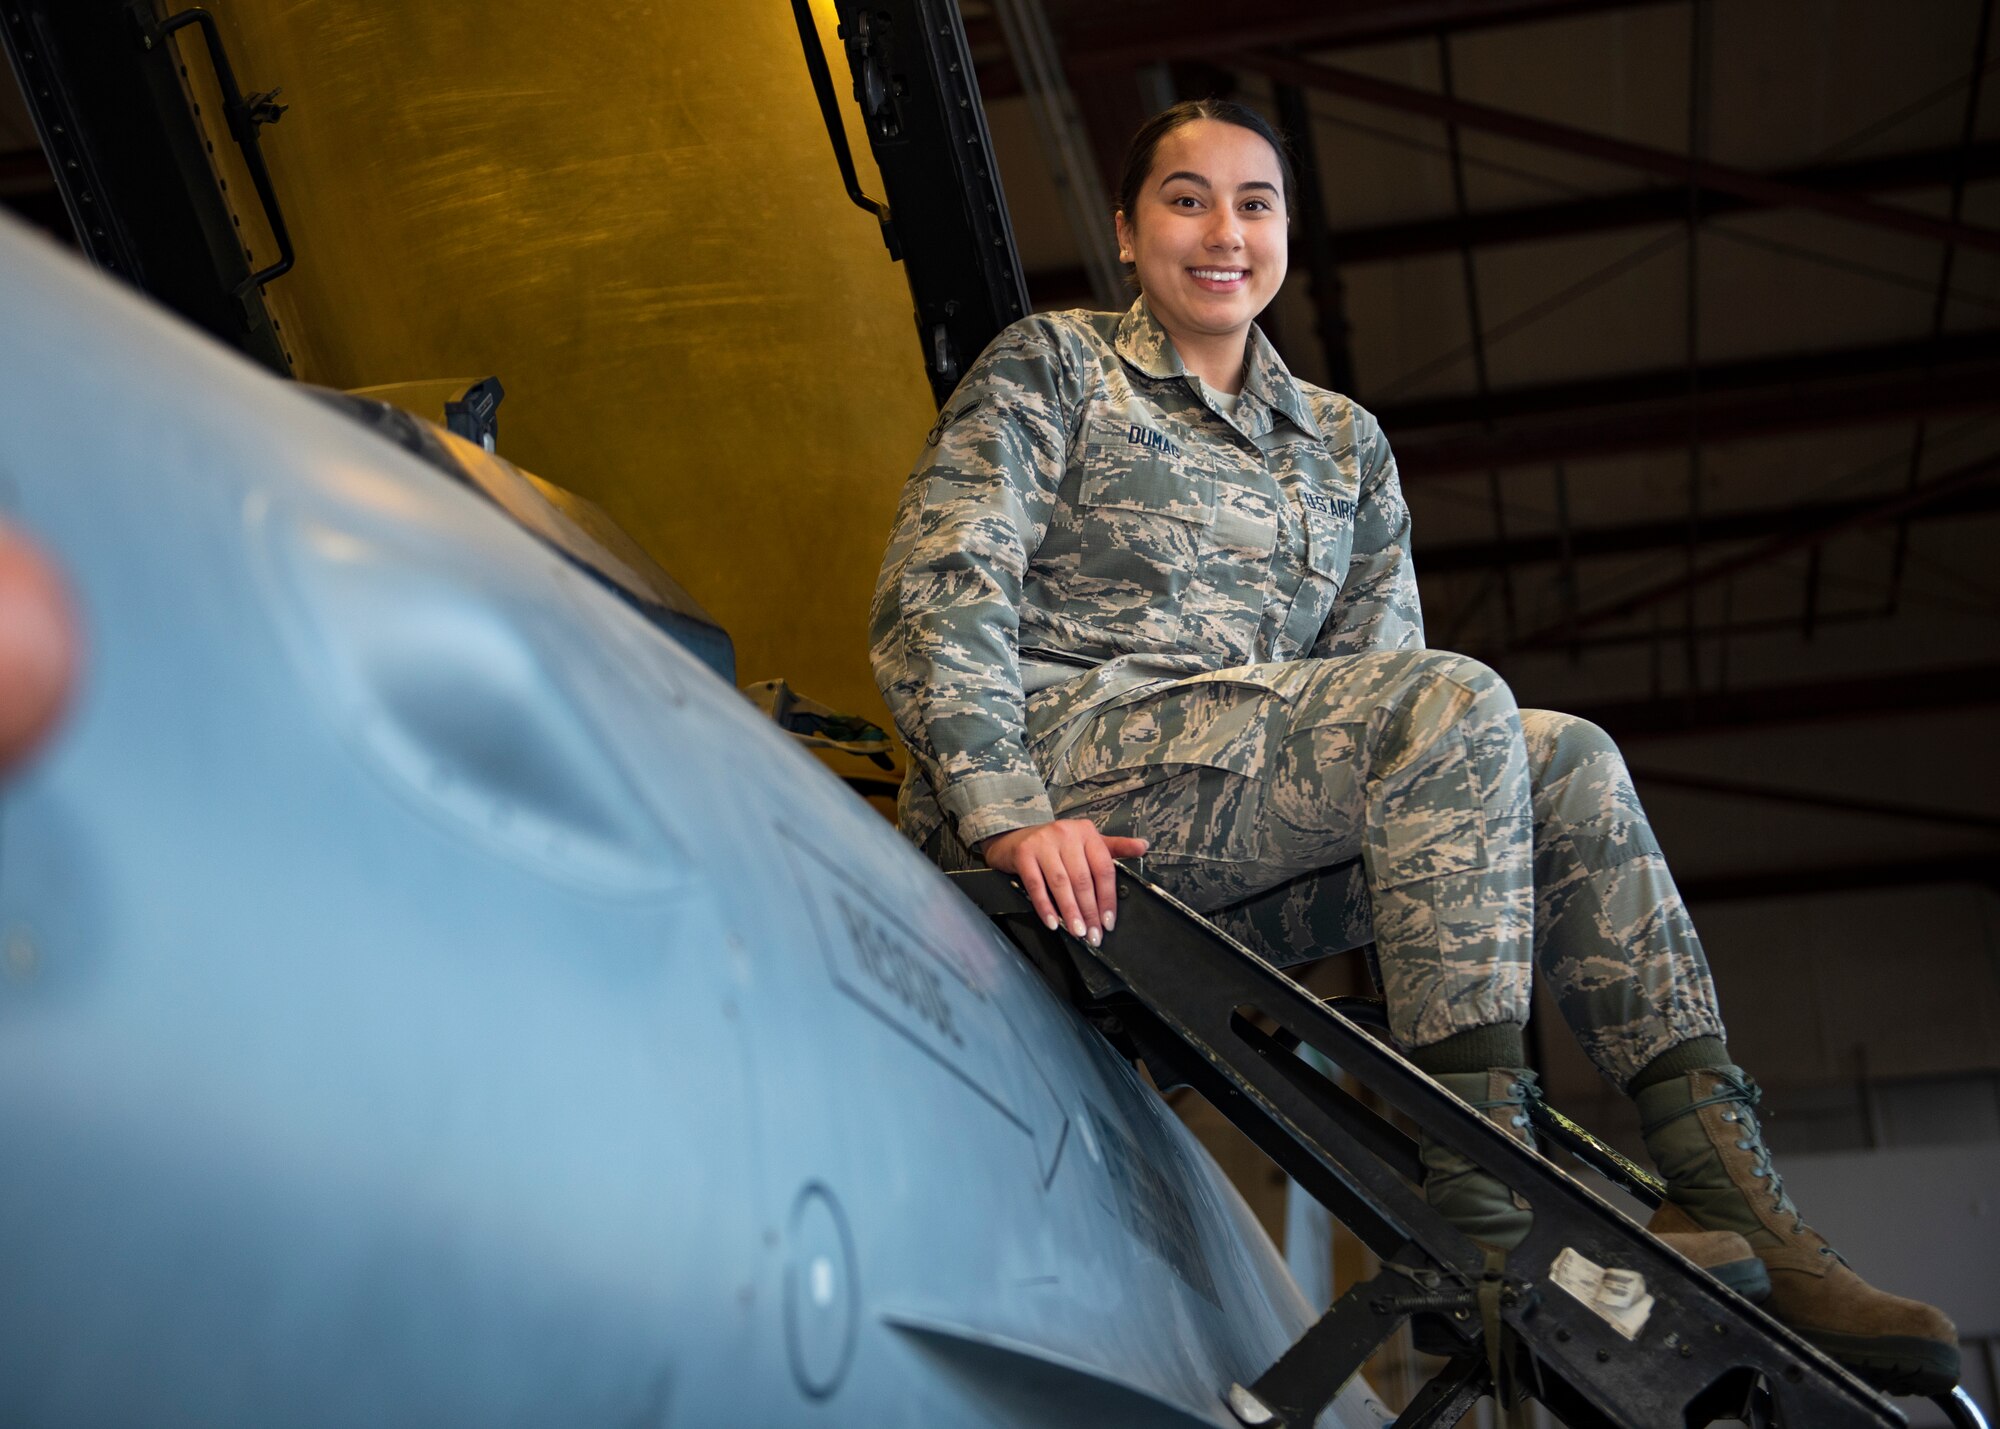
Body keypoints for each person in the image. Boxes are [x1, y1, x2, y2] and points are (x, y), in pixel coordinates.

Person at [869, 98, 1957, 1396]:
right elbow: (945, 589)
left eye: (1255, 203)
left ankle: (1745, 1201)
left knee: (1561, 757)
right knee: (1447, 704)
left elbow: (1414, 717)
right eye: (1186, 197)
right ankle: (1491, 1206)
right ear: (1126, 228)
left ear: (1286, 231)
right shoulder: (1054, 368)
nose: (1225, 231)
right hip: (1077, 790)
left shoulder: (1341, 444)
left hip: (1246, 835)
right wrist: (1003, 809)